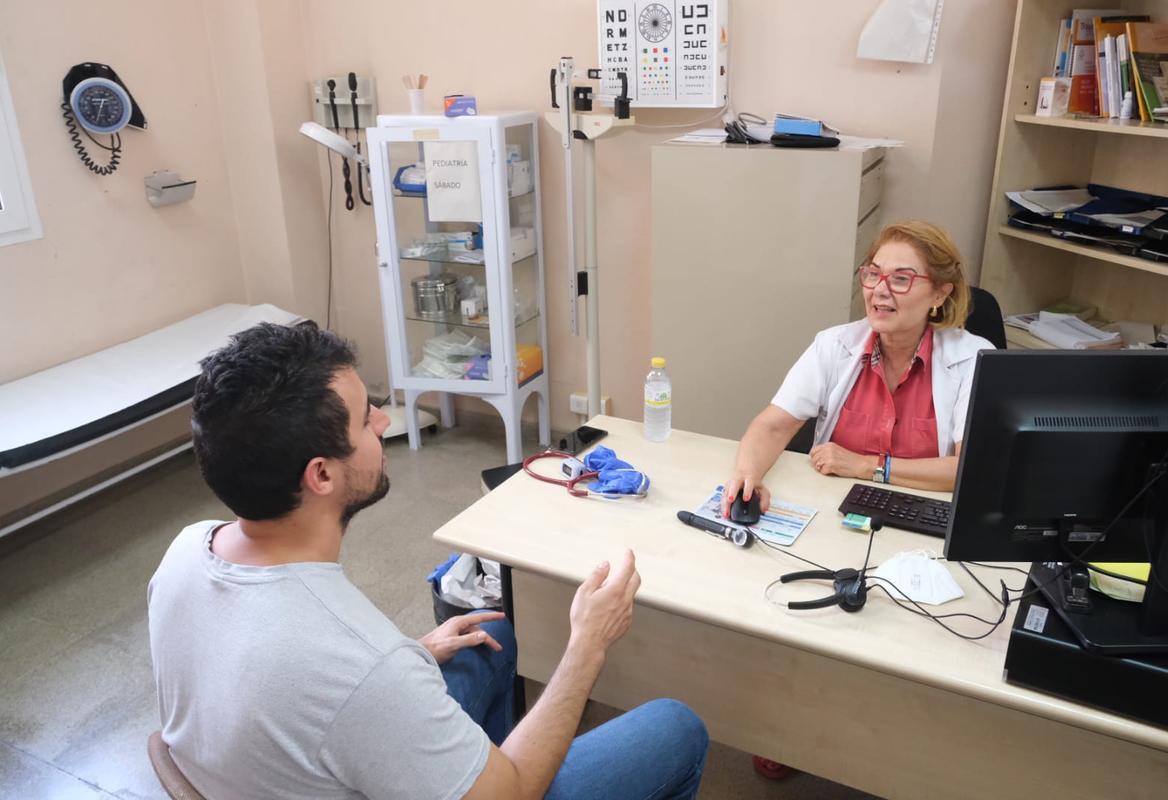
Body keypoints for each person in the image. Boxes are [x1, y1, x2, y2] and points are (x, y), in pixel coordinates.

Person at [147, 322, 708, 800]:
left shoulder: (186, 551)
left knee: (493, 637)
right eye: (365, 419)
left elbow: (302, 685)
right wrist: (587, 645)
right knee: (677, 727)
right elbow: (356, 684)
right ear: (321, 474)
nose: (382, 422)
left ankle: (474, 768)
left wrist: (411, 655)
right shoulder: (363, 668)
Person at [723, 220, 993, 515]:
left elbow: (971, 469)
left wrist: (867, 465)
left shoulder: (973, 359)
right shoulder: (833, 345)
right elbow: (773, 426)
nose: (880, 290)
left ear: (939, 294)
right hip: (834, 513)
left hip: (923, 519)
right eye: (874, 274)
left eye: (901, 279)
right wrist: (748, 476)